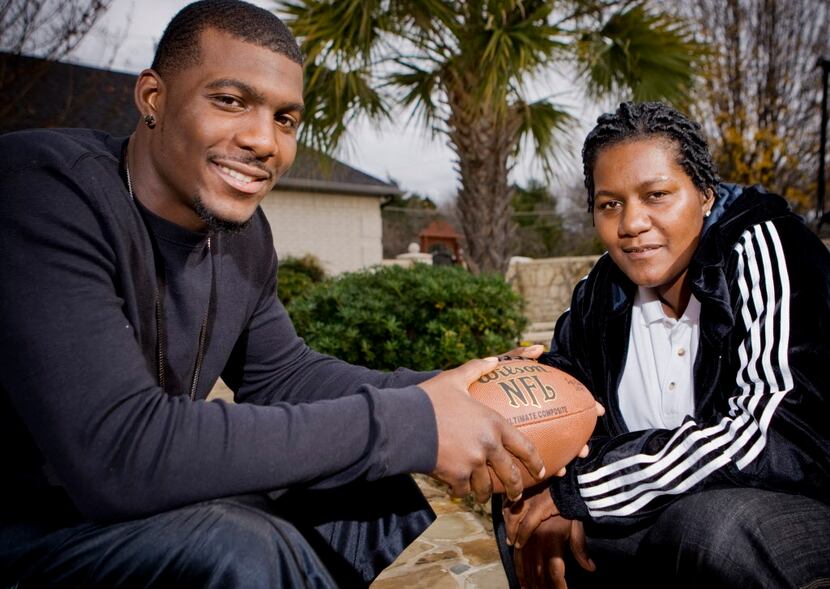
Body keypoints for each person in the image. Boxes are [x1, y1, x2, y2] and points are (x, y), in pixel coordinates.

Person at [0, 1, 553, 586]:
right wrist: (411, 424)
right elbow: (120, 449)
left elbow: (285, 375)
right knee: (238, 547)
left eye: (286, 119)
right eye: (230, 101)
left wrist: (451, 393)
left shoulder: (241, 237)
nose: (264, 141)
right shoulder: (41, 190)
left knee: (364, 489)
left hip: (111, 515)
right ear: (153, 98)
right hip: (26, 525)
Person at [494, 101, 830, 588]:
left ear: (705, 195)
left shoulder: (765, 246)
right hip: (660, 516)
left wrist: (581, 492)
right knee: (523, 510)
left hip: (797, 508)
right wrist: (519, 389)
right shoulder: (601, 291)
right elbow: (571, 404)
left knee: (711, 528)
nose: (631, 224)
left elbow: (771, 437)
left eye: (656, 195)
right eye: (610, 204)